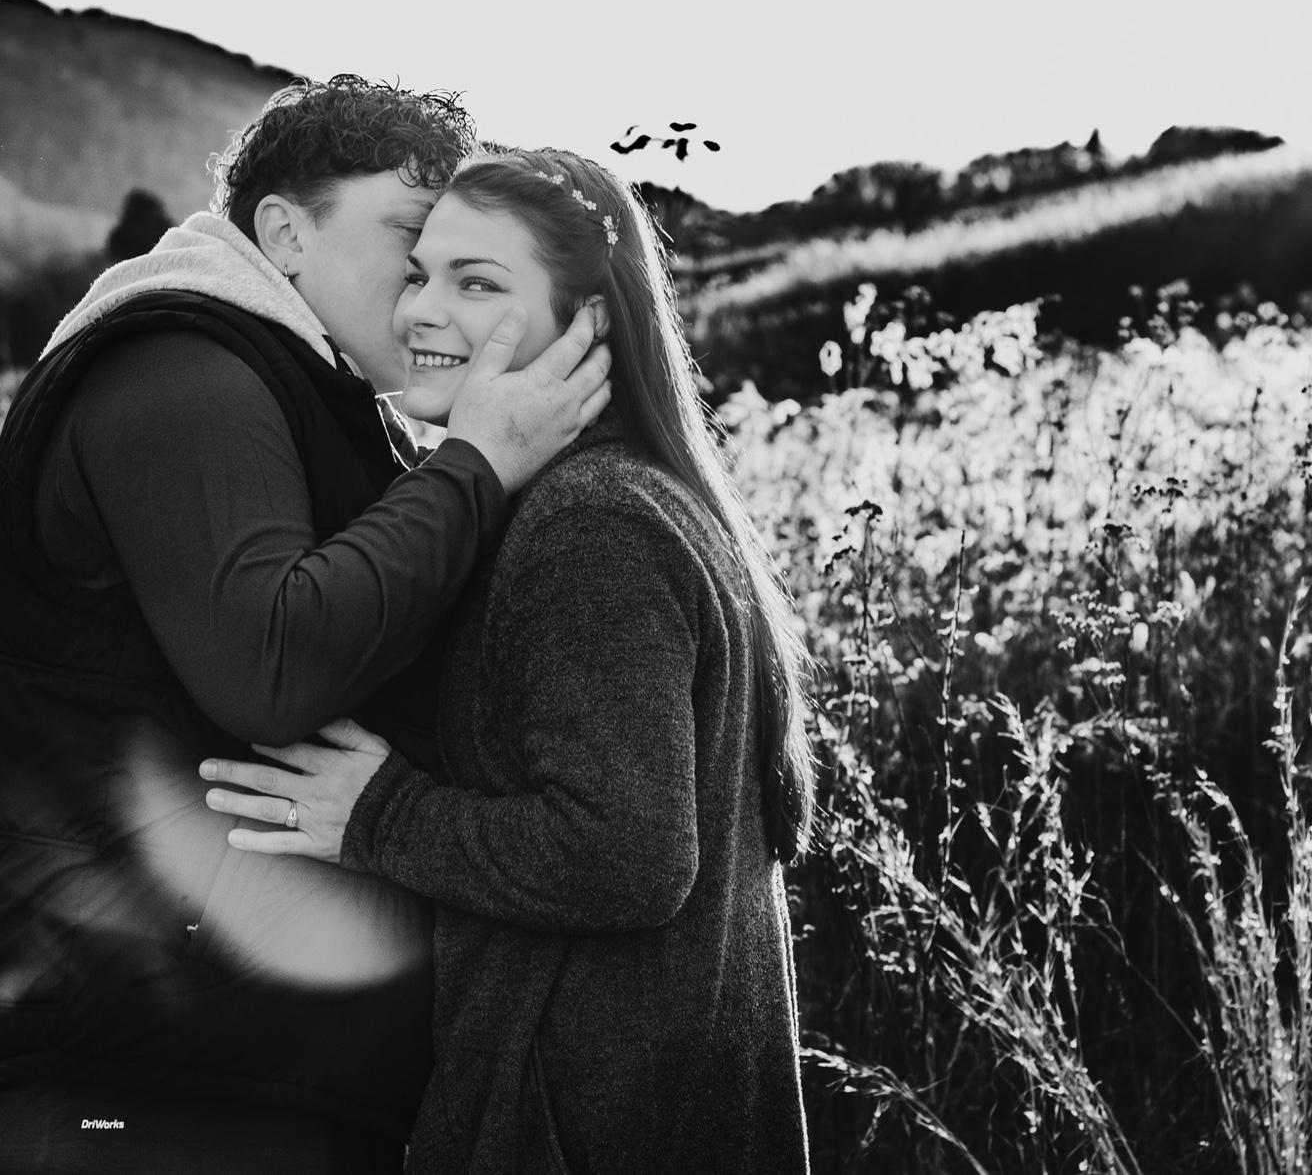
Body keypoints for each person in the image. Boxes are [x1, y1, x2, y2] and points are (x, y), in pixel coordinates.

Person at [0, 83, 611, 1173]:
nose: (425, 294)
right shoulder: (181, 368)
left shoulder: (309, 393)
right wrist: (478, 466)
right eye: (410, 244)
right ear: (284, 234)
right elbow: (270, 668)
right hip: (153, 1072)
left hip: (244, 1055)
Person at [201, 147, 816, 1173]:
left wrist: (381, 817)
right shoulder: (616, 493)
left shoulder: (592, 525)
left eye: (478, 283)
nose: (421, 312)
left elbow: (628, 856)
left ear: (588, 322)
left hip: (591, 1122)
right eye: (420, 274)